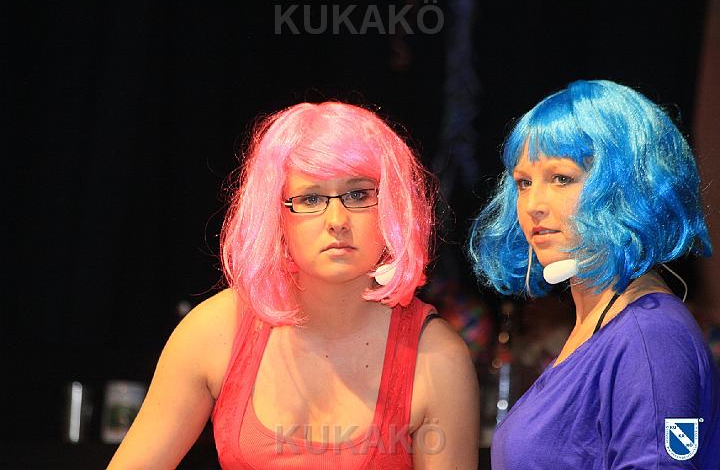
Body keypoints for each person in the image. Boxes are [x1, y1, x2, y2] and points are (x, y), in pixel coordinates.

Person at [108, 102, 480, 469]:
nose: (337, 220)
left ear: (393, 205)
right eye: (311, 198)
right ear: (276, 214)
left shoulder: (437, 358)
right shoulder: (215, 331)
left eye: (358, 194)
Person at [469, 80, 720, 468]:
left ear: (627, 186)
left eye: (561, 178)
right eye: (524, 182)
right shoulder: (604, 324)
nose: (533, 204)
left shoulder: (650, 335)